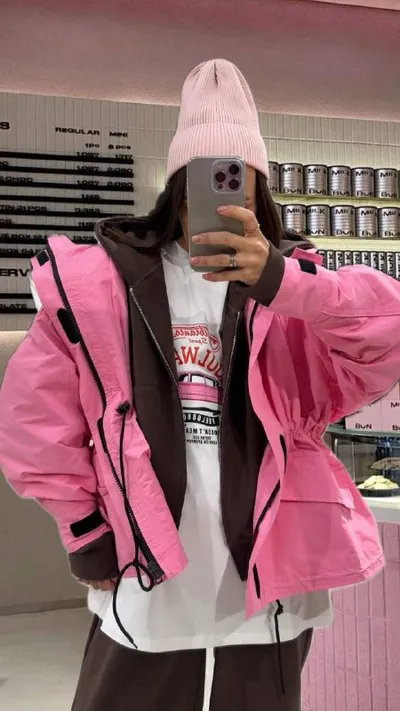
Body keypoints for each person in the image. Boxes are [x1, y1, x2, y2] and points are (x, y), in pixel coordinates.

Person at [0, 59, 400, 711]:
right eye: (203, 176)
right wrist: (85, 529)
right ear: (176, 183)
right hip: (148, 568)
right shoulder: (99, 285)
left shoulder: (294, 287)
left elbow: (388, 331)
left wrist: (281, 282)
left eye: (234, 177)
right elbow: (34, 426)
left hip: (270, 571)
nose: (218, 195)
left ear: (258, 187)